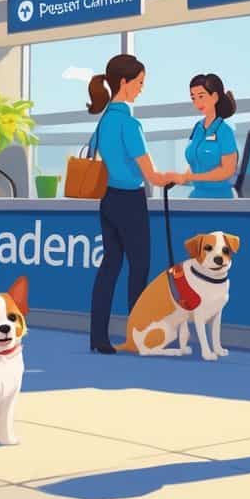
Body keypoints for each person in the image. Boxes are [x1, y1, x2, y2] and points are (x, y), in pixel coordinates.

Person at [86, 54, 183, 355]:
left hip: (108, 200)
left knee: (109, 268)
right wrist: (176, 177)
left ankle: (98, 337)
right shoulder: (130, 123)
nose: (142, 88)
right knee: (138, 269)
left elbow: (94, 154)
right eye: (139, 83)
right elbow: (150, 173)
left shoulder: (103, 121)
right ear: (124, 83)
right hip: (130, 200)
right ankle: (137, 336)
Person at [181, 73, 239, 198]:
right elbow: (195, 162)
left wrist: (193, 177)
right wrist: (180, 178)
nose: (197, 102)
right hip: (195, 197)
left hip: (220, 199)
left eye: (201, 96)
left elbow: (228, 170)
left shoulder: (225, 130)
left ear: (215, 97)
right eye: (193, 98)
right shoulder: (198, 127)